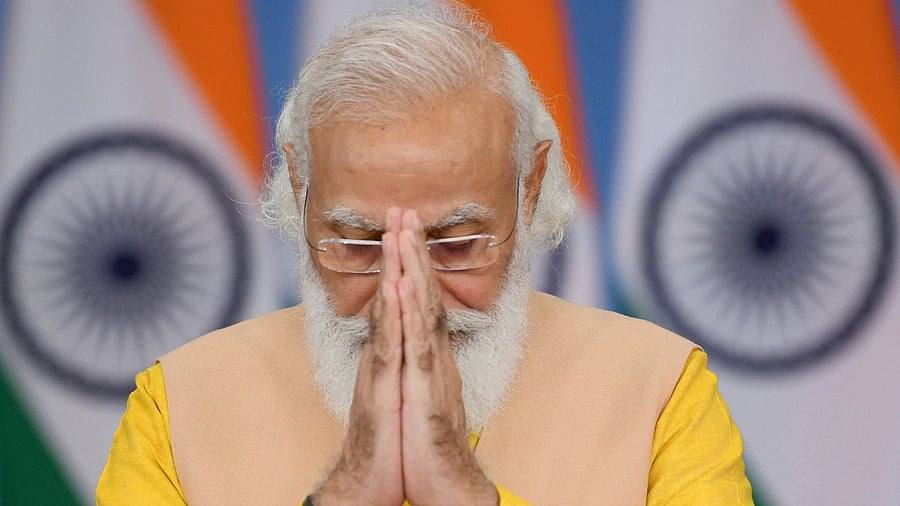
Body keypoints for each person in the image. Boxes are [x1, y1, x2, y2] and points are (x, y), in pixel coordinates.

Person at [97, 2, 753, 504]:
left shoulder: (660, 389)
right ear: (300, 190)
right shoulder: (178, 405)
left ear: (528, 188)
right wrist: (351, 488)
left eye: (457, 243)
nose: (405, 293)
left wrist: (467, 493)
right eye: (357, 242)